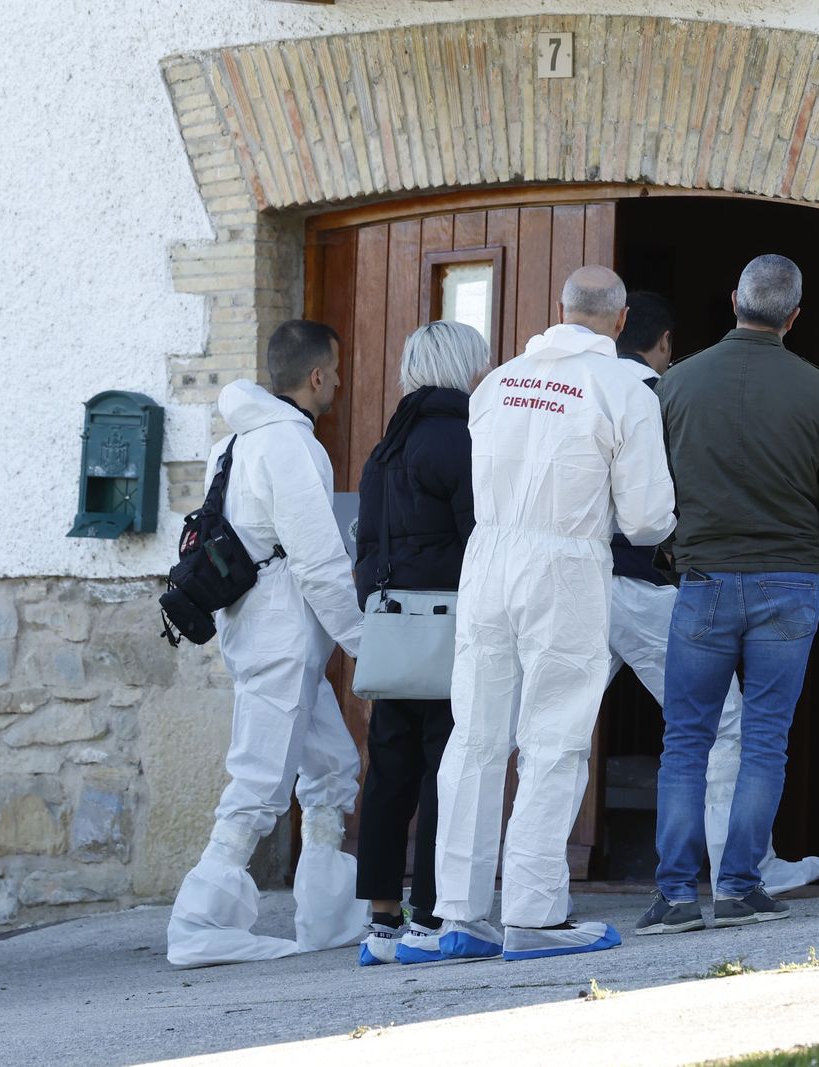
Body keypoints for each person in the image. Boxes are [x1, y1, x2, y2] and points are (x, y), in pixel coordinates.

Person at [433, 266, 676, 962]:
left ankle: (459, 913)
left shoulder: (499, 382)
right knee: (554, 737)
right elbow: (649, 519)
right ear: (621, 320)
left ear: (560, 309)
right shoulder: (623, 388)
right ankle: (534, 914)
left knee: (475, 735)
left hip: (488, 559)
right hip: (565, 564)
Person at [638, 255, 819, 935]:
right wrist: (818, 569)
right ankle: (739, 886)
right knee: (765, 739)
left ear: (734, 296)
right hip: (789, 582)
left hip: (704, 579)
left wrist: (672, 553)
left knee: (686, 742)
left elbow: (648, 487)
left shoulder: (676, 384)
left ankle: (676, 896)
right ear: (793, 316)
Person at [607, 292, 819, 913]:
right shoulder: (659, 393)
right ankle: (742, 876)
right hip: (670, 586)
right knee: (740, 731)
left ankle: (531, 886)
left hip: (601, 580)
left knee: (557, 733)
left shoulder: (613, 390)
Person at [167, 320, 368, 967]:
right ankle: (200, 923)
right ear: (317, 375)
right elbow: (319, 560)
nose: (339, 381)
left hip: (254, 625)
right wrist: (364, 642)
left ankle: (330, 916)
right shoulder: (288, 444)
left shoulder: (234, 443)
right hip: (281, 633)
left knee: (331, 765)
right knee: (258, 778)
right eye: (335, 370)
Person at [352, 321, 487, 966]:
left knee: (388, 771)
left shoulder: (385, 448)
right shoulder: (462, 439)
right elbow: (479, 541)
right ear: (465, 368)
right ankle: (430, 917)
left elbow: (365, 547)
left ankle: (382, 921)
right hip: (450, 627)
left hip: (394, 630)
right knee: (444, 767)